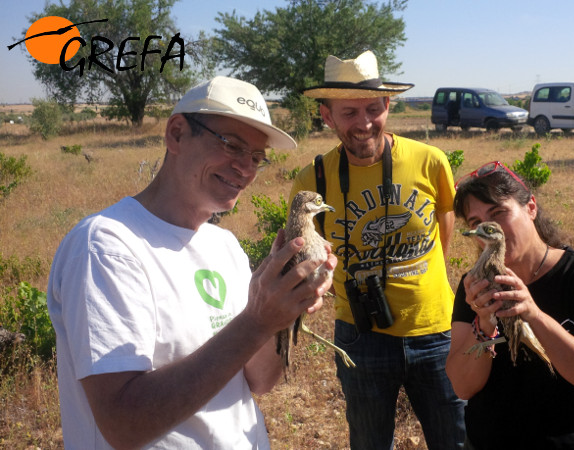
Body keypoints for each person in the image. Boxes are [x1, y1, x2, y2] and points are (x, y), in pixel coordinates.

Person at [47, 76, 337, 449]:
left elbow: (260, 380)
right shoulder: (106, 246)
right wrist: (256, 321)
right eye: (231, 145)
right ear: (177, 134)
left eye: (256, 158)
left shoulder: (225, 246)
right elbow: (124, 424)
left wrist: (284, 312)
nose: (245, 169)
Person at [290, 50, 465, 449]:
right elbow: (306, 251)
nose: (364, 123)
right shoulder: (311, 179)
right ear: (326, 115)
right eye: (348, 113)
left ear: (388, 105)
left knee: (456, 439)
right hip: (359, 335)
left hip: (436, 329)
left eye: (373, 108)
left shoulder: (430, 161)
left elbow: (444, 233)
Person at [445, 161, 574, 449]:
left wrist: (533, 314)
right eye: (476, 223)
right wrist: (484, 324)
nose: (488, 228)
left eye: (498, 213)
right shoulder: (473, 287)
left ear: (531, 207)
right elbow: (462, 385)